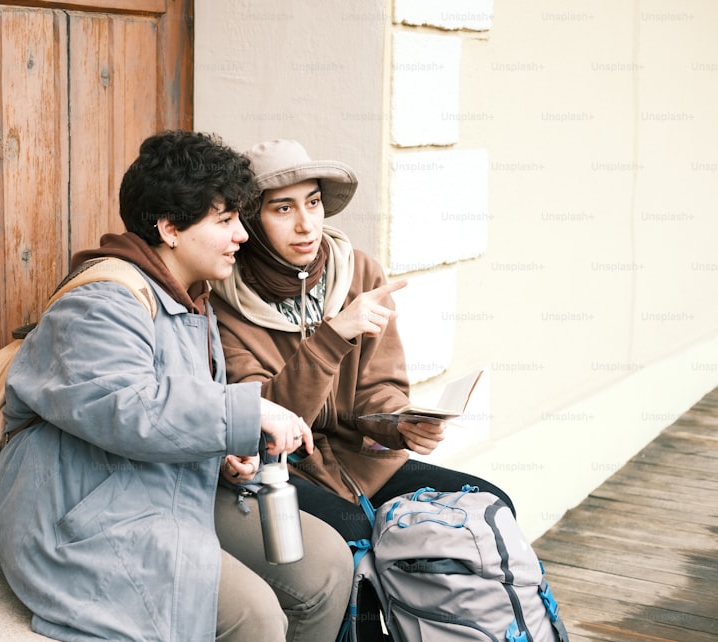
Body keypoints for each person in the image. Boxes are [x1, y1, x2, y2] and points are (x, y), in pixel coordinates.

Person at [0, 130, 352, 642]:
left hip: (160, 482)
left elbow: (179, 411)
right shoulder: (102, 301)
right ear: (168, 228)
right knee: (253, 621)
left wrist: (226, 451)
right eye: (224, 221)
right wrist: (247, 410)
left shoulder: (191, 301)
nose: (242, 237)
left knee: (326, 564)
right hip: (83, 513)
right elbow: (128, 409)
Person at [210, 139, 515, 545]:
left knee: (491, 504)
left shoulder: (358, 272)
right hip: (284, 471)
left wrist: (402, 425)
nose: (306, 224)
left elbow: (378, 390)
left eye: (313, 203)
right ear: (250, 220)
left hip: (365, 464)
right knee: (352, 534)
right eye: (283, 208)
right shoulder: (223, 298)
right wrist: (332, 337)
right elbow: (267, 426)